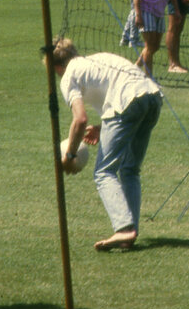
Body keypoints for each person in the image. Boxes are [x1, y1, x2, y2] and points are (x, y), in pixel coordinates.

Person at [50, 36, 163, 252]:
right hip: (152, 98)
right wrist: (103, 129)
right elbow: (124, 94)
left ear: (56, 67)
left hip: (126, 103)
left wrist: (69, 156)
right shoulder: (98, 59)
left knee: (103, 172)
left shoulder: (67, 77)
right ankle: (129, 231)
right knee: (129, 169)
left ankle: (123, 228)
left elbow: (80, 120)